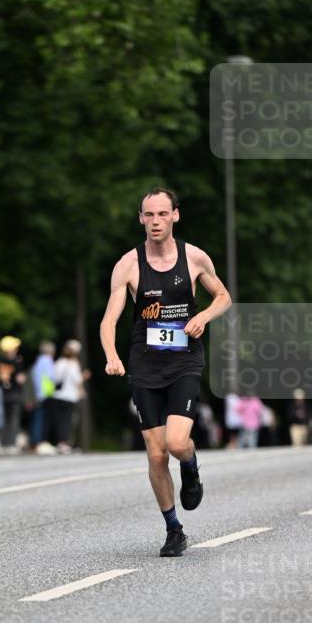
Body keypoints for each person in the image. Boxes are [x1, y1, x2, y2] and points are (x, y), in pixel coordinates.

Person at [100, 186, 231, 557]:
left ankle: (190, 465)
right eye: (149, 215)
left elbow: (224, 297)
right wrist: (111, 356)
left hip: (184, 361)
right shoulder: (128, 265)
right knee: (156, 455)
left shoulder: (194, 258)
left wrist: (203, 316)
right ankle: (174, 529)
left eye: (162, 214)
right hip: (145, 364)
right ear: (140, 219)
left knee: (175, 443)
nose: (155, 221)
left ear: (175, 215)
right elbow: (109, 320)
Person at [50, 339, 87, 453]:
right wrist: (84, 378)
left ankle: (57, 442)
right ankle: (64, 443)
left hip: (57, 395)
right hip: (69, 396)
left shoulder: (59, 362)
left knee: (58, 420)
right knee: (67, 421)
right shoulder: (74, 364)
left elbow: (54, 377)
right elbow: (77, 380)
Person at [0, 335, 26, 452]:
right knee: (14, 418)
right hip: (15, 392)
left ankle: (3, 443)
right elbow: (20, 379)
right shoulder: (17, 362)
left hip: (5, 393)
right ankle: (11, 443)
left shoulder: (0, 362)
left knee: (6, 418)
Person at [29, 340, 57, 451]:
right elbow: (51, 376)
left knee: (37, 417)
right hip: (46, 392)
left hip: (39, 393)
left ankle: (35, 442)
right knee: (43, 419)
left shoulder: (38, 361)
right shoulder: (47, 360)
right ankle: (40, 442)